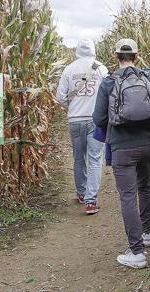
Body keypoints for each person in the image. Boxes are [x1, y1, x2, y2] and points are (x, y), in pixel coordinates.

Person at [92, 38, 150, 269]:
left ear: (116, 56)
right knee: (145, 187)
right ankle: (146, 233)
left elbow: (98, 119)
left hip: (122, 147)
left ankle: (136, 252)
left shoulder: (109, 83)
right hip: (148, 144)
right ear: (136, 56)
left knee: (128, 195)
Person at [55, 38, 109, 215]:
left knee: (78, 158)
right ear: (93, 50)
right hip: (95, 120)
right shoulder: (101, 68)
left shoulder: (69, 69)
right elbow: (109, 94)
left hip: (75, 120)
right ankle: (90, 201)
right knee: (94, 159)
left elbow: (60, 97)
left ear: (78, 50)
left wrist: (71, 108)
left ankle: (81, 193)